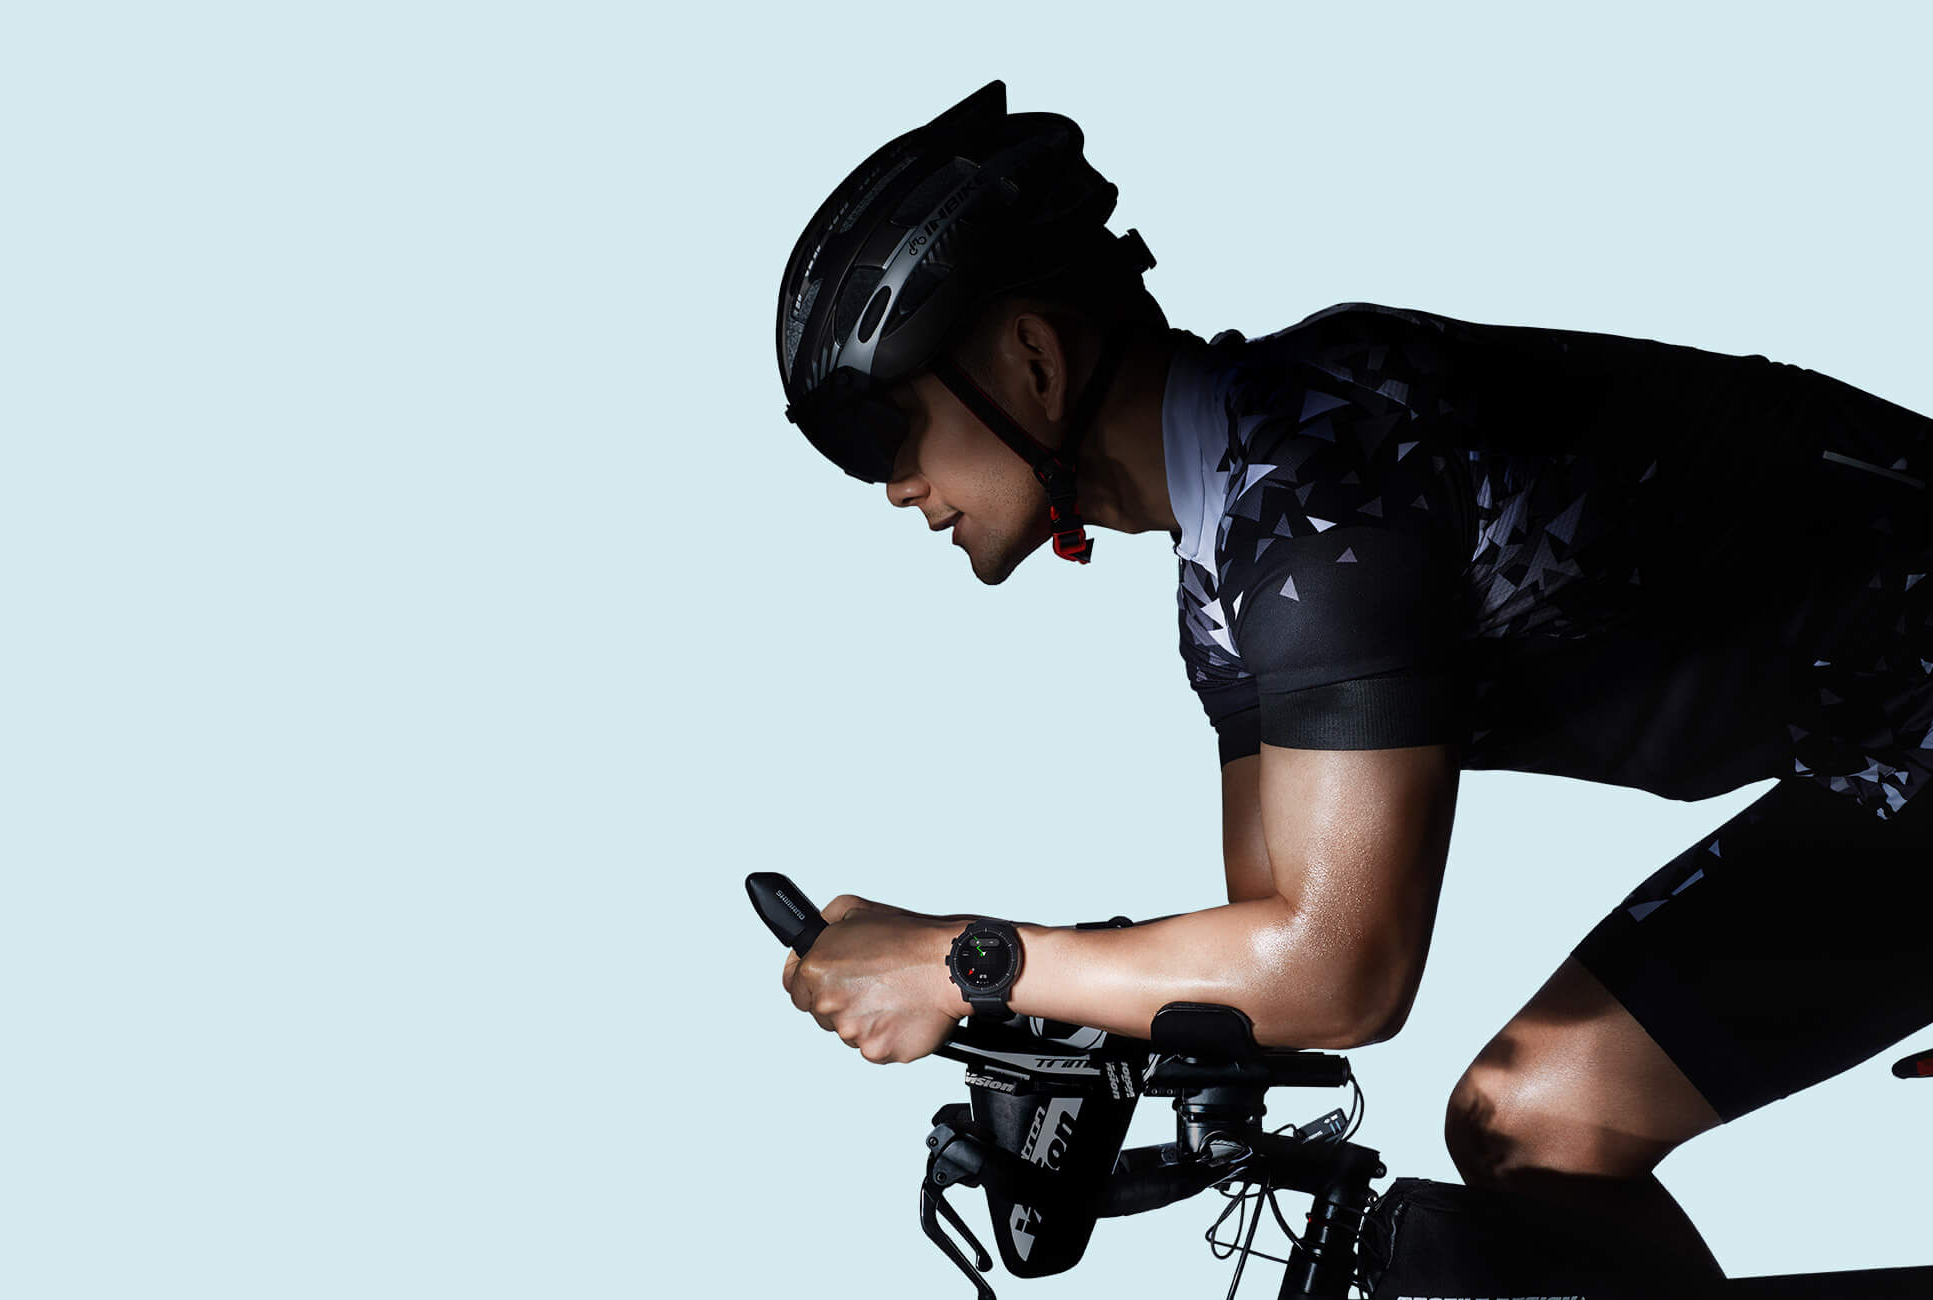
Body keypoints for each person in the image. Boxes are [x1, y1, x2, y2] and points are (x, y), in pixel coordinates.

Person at [771, 81, 1933, 1280]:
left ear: (1032, 358)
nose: (890, 484)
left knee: (1525, 1127)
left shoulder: (1323, 474)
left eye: (882, 430)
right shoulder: (1228, 567)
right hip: (1893, 760)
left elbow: (1339, 974)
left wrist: (962, 961)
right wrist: (1046, 1018)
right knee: (1535, 1120)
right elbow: (1259, 952)